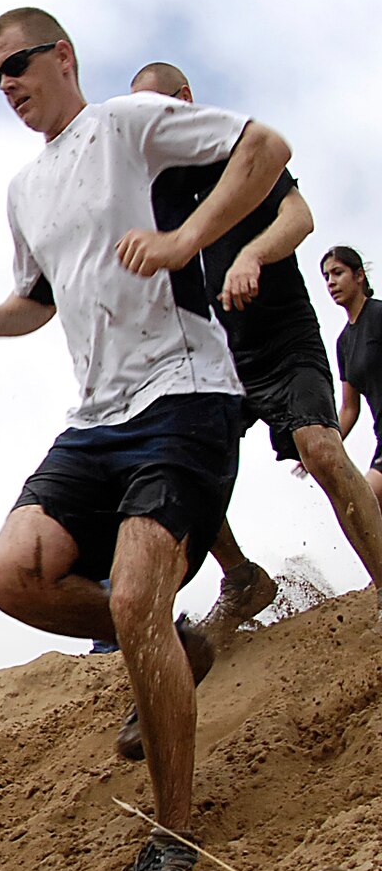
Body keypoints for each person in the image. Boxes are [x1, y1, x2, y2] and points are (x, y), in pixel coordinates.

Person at [0, 8, 290, 871]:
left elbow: (265, 146)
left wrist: (184, 241)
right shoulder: (24, 188)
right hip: (97, 417)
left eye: (18, 64)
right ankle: (170, 644)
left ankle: (174, 837)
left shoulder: (127, 124)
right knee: (10, 574)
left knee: (137, 592)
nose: (9, 85)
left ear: (62, 56)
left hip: (184, 391)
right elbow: (40, 301)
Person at [127, 64, 382, 637]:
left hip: (283, 336)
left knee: (318, 446)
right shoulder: (157, 189)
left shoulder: (238, 150)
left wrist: (253, 255)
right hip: (217, 356)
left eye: (156, 112)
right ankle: (242, 578)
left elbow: (300, 217)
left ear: (185, 99)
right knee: (178, 471)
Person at [324, 247, 382, 513]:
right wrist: (326, 446)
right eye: (326, 277)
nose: (331, 282)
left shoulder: (379, 315)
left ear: (359, 276)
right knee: (364, 509)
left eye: (338, 273)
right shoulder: (344, 342)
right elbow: (350, 408)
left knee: (366, 503)